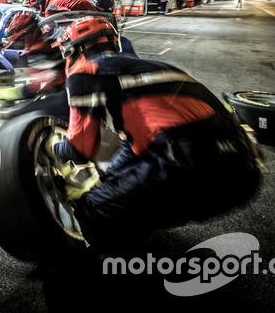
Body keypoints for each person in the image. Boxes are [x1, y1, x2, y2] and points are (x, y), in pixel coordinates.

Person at [48, 15, 263, 250]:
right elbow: (132, 147)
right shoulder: (146, 70)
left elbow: (80, 148)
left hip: (195, 171)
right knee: (117, 192)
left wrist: (52, 147)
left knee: (94, 207)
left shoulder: (86, 71)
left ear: (77, 50)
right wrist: (109, 181)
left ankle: (114, 274)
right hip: (244, 173)